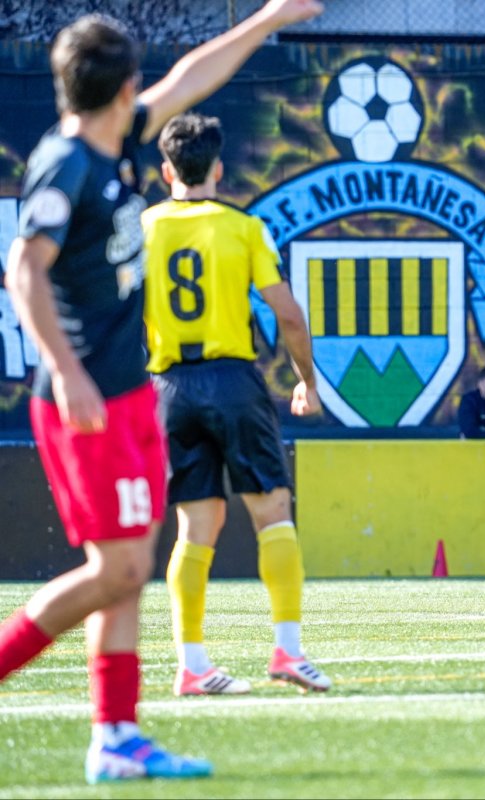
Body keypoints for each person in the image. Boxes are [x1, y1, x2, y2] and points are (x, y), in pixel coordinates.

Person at [0, 0, 323, 784]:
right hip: (88, 400)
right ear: (123, 89)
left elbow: (190, 78)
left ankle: (116, 737)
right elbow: (23, 271)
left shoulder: (113, 137)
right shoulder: (67, 165)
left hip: (138, 395)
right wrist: (68, 372)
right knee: (117, 570)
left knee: (130, 566)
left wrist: (266, 20)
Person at [142, 112, 330, 697]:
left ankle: (192, 664)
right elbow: (288, 315)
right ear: (219, 169)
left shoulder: (143, 227)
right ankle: (288, 652)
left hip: (168, 386)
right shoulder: (244, 228)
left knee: (195, 525)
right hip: (231, 381)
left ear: (166, 170)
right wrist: (307, 381)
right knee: (273, 512)